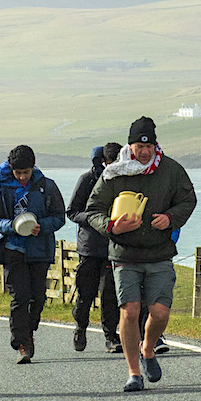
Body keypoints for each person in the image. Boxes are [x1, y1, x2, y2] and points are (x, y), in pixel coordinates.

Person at [86, 116, 197, 392]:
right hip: (125, 254)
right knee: (130, 310)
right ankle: (133, 372)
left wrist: (171, 218)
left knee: (159, 313)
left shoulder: (171, 170)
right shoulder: (114, 172)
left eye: (148, 146)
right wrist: (113, 226)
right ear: (130, 145)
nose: (144, 152)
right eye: (138, 146)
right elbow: (92, 209)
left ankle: (148, 348)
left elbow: (188, 199)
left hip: (159, 252)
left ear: (155, 144)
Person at [0, 144, 66, 363]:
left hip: (39, 250)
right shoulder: (4, 189)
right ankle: (21, 343)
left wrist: (41, 226)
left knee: (38, 298)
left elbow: (60, 217)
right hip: (13, 250)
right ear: (11, 170)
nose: (22, 177)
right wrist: (12, 226)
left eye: (26, 172)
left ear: (33, 167)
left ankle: (29, 331)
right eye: (18, 173)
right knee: (20, 297)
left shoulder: (48, 186)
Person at [66, 143, 123, 354]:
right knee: (86, 293)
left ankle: (111, 336)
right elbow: (72, 211)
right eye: (113, 162)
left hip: (113, 246)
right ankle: (80, 326)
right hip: (90, 247)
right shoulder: (87, 180)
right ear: (102, 161)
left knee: (110, 293)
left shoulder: (124, 181)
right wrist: (94, 219)